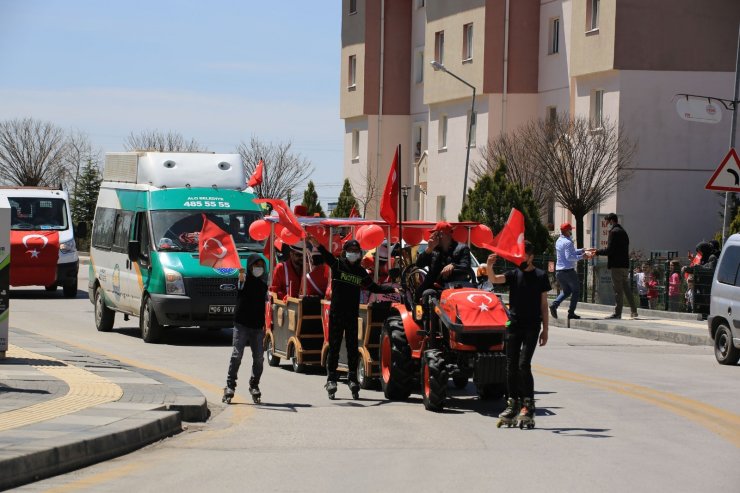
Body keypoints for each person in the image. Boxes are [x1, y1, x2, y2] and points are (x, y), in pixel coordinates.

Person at [306, 235, 397, 399]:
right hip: (336, 314)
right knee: (334, 346)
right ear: (345, 252)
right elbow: (326, 255)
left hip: (351, 314)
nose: (353, 253)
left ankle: (353, 378)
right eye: (351, 250)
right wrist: (315, 243)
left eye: (356, 251)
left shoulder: (361, 272)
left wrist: (392, 290)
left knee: (352, 347)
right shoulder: (338, 264)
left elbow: (374, 288)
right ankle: (331, 378)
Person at [486, 241, 551, 428]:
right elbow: (495, 280)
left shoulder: (540, 276)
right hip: (514, 324)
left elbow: (544, 306)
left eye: (524, 255)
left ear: (531, 257)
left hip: (532, 326)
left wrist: (545, 329)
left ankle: (528, 405)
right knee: (511, 366)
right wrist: (490, 266)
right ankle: (513, 403)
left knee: (524, 364)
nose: (520, 258)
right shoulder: (514, 274)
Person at [222, 255, 268, 404]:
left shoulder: (263, 284)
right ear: (250, 267)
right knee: (237, 355)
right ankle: (230, 386)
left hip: (257, 326)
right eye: (256, 265)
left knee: (259, 359)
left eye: (261, 265)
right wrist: (241, 275)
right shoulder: (244, 280)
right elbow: (240, 284)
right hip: (241, 324)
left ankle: (254, 385)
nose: (258, 268)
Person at [590, 213, 638, 319]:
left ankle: (617, 313)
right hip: (625, 265)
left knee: (618, 290)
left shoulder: (613, 232)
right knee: (626, 289)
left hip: (616, 265)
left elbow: (610, 250)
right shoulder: (624, 232)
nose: (607, 223)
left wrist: (597, 252)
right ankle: (634, 311)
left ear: (612, 221)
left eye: (607, 221)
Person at [414, 221, 473, 301]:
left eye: (434, 234)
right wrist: (429, 249)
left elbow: (466, 266)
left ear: (441, 235)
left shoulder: (462, 248)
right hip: (434, 286)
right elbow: (419, 264)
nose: (431, 236)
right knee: (423, 293)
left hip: (455, 288)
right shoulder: (433, 249)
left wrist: (453, 265)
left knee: (428, 294)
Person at [549, 222, 592, 320]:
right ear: (566, 231)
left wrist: (582, 250)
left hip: (559, 271)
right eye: (570, 230)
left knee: (567, 291)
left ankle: (554, 305)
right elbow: (569, 257)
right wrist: (583, 256)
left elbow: (570, 252)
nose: (571, 232)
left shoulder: (559, 241)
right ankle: (571, 312)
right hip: (568, 271)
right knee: (576, 291)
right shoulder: (568, 242)